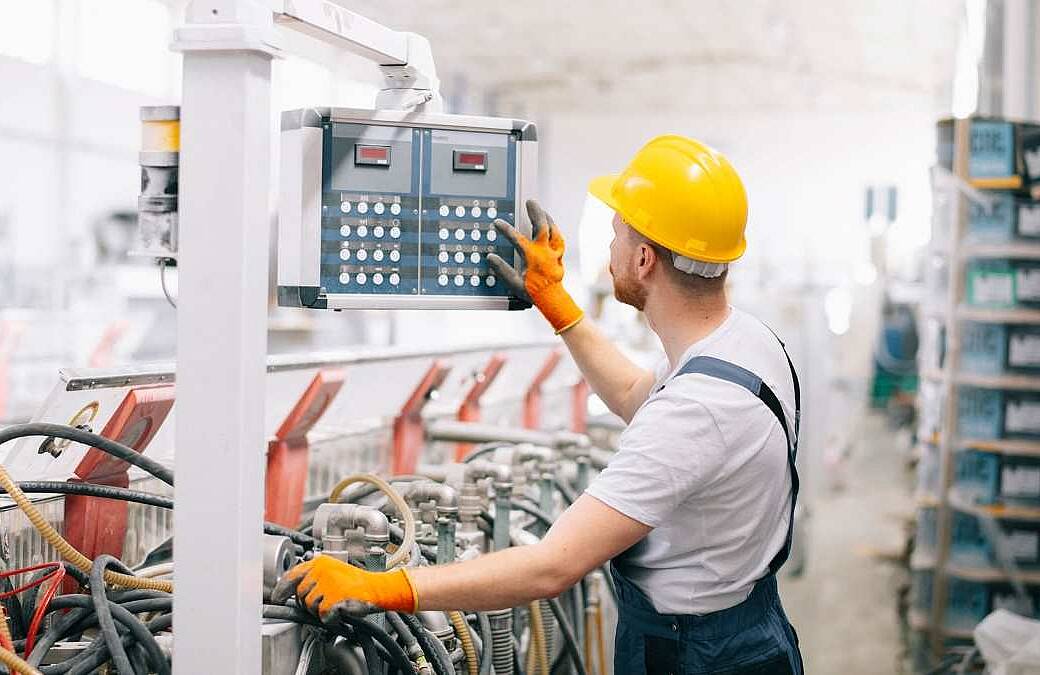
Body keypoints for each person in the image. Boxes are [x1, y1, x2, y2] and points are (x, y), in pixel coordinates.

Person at [274, 135, 804, 674]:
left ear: (645, 259)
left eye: (617, 234)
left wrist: (383, 586)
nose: (609, 249)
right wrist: (558, 304)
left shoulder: (697, 410)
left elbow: (553, 567)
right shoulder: (746, 343)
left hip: (699, 655)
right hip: (744, 625)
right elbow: (633, 396)